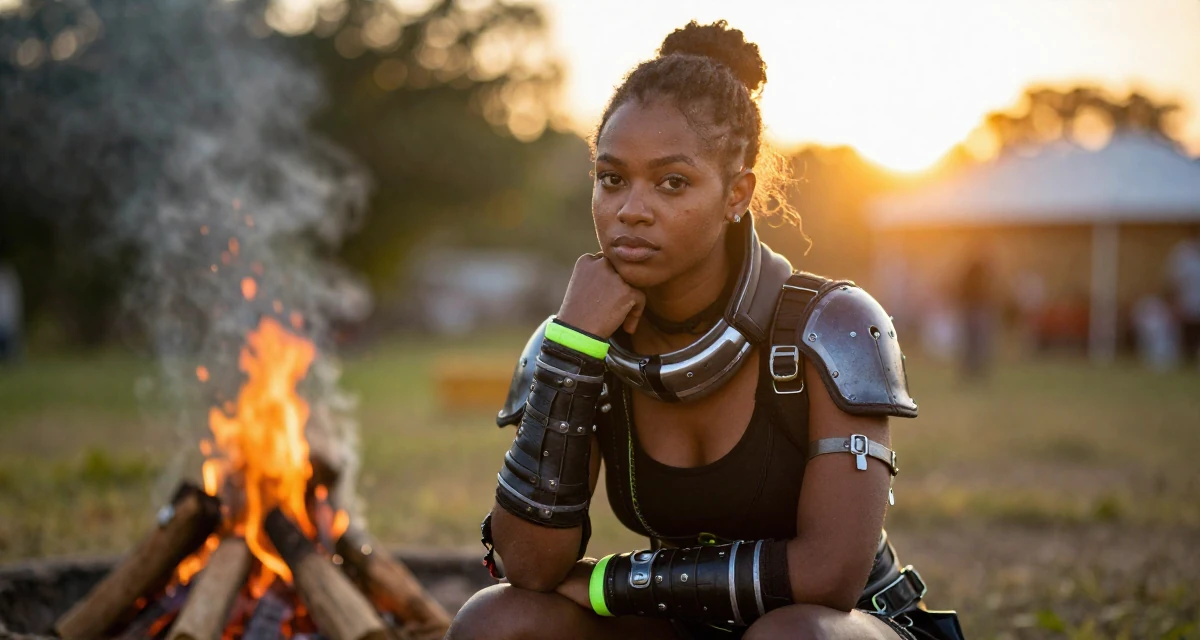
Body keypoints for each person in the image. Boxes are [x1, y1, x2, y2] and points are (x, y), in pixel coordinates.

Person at [448, 21, 963, 640]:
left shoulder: (832, 327)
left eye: (672, 182)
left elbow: (829, 576)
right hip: (687, 625)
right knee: (496, 620)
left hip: (843, 627)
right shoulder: (574, 343)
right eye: (612, 178)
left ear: (737, 193)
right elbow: (528, 566)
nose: (631, 209)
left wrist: (606, 584)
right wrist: (574, 349)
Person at [1167, 227, 1200, 365]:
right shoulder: (1184, 253)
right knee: (1188, 337)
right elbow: (1174, 281)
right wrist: (1175, 303)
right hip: (1188, 304)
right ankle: (1186, 360)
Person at [0, 263, 22, 363]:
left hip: (6, 321)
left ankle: (10, 363)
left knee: (8, 347)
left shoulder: (8, 287)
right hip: (5, 321)